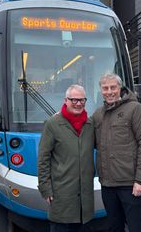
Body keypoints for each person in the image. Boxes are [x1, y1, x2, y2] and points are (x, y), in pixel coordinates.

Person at [93, 73, 141, 232]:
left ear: (120, 88)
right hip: (107, 184)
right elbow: (83, 133)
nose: (109, 91)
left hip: (131, 185)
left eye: (113, 87)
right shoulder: (98, 114)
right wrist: (61, 118)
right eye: (105, 88)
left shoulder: (136, 109)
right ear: (101, 90)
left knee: (137, 227)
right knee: (114, 226)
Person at [38, 84, 95, 232]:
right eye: (73, 100)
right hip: (61, 194)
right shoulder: (52, 124)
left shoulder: (90, 124)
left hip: (84, 197)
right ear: (66, 101)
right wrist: (45, 188)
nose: (78, 103)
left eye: (82, 100)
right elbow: (43, 158)